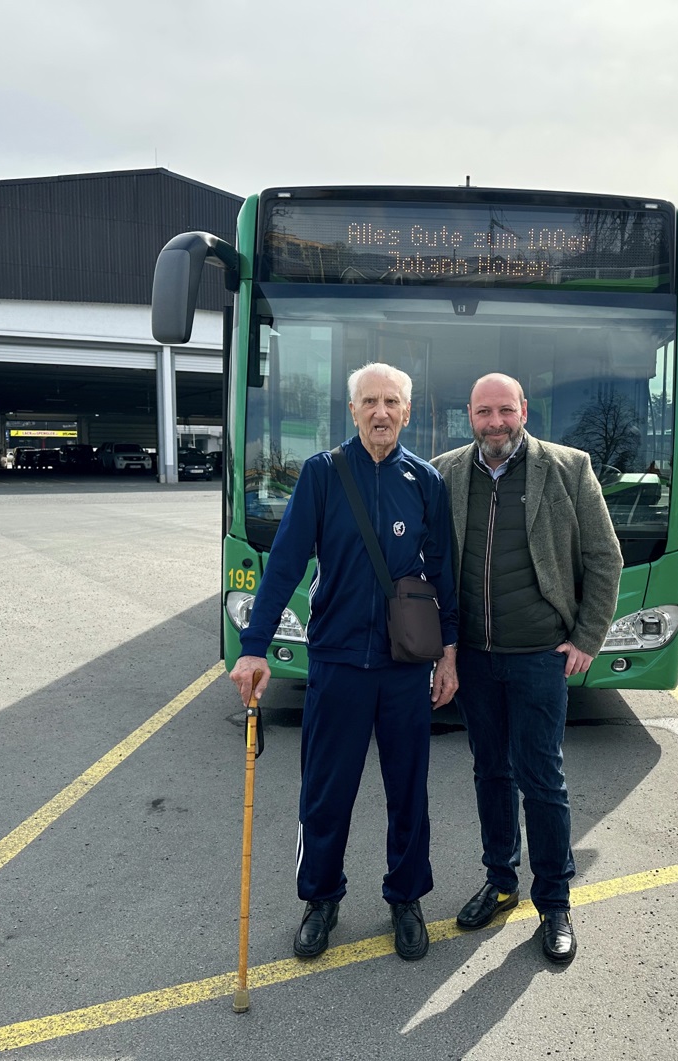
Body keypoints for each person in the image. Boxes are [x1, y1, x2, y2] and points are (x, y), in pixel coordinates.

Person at [229, 362, 459, 963]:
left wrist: (449, 654)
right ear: (351, 410)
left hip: (405, 665)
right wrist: (254, 645)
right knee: (326, 793)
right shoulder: (322, 474)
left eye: (391, 403)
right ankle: (320, 899)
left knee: (408, 791)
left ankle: (406, 899)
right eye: (368, 402)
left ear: (407, 412)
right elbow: (283, 563)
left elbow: (445, 575)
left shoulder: (426, 480)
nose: (380, 413)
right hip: (334, 662)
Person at [431, 372, 622, 964]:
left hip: (541, 657)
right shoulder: (445, 472)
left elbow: (603, 556)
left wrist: (587, 638)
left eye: (505, 411)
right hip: (477, 661)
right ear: (469, 415)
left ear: (524, 411)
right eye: (484, 412)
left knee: (542, 781)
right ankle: (500, 878)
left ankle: (556, 900)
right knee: (490, 773)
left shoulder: (569, 468)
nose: (495, 423)